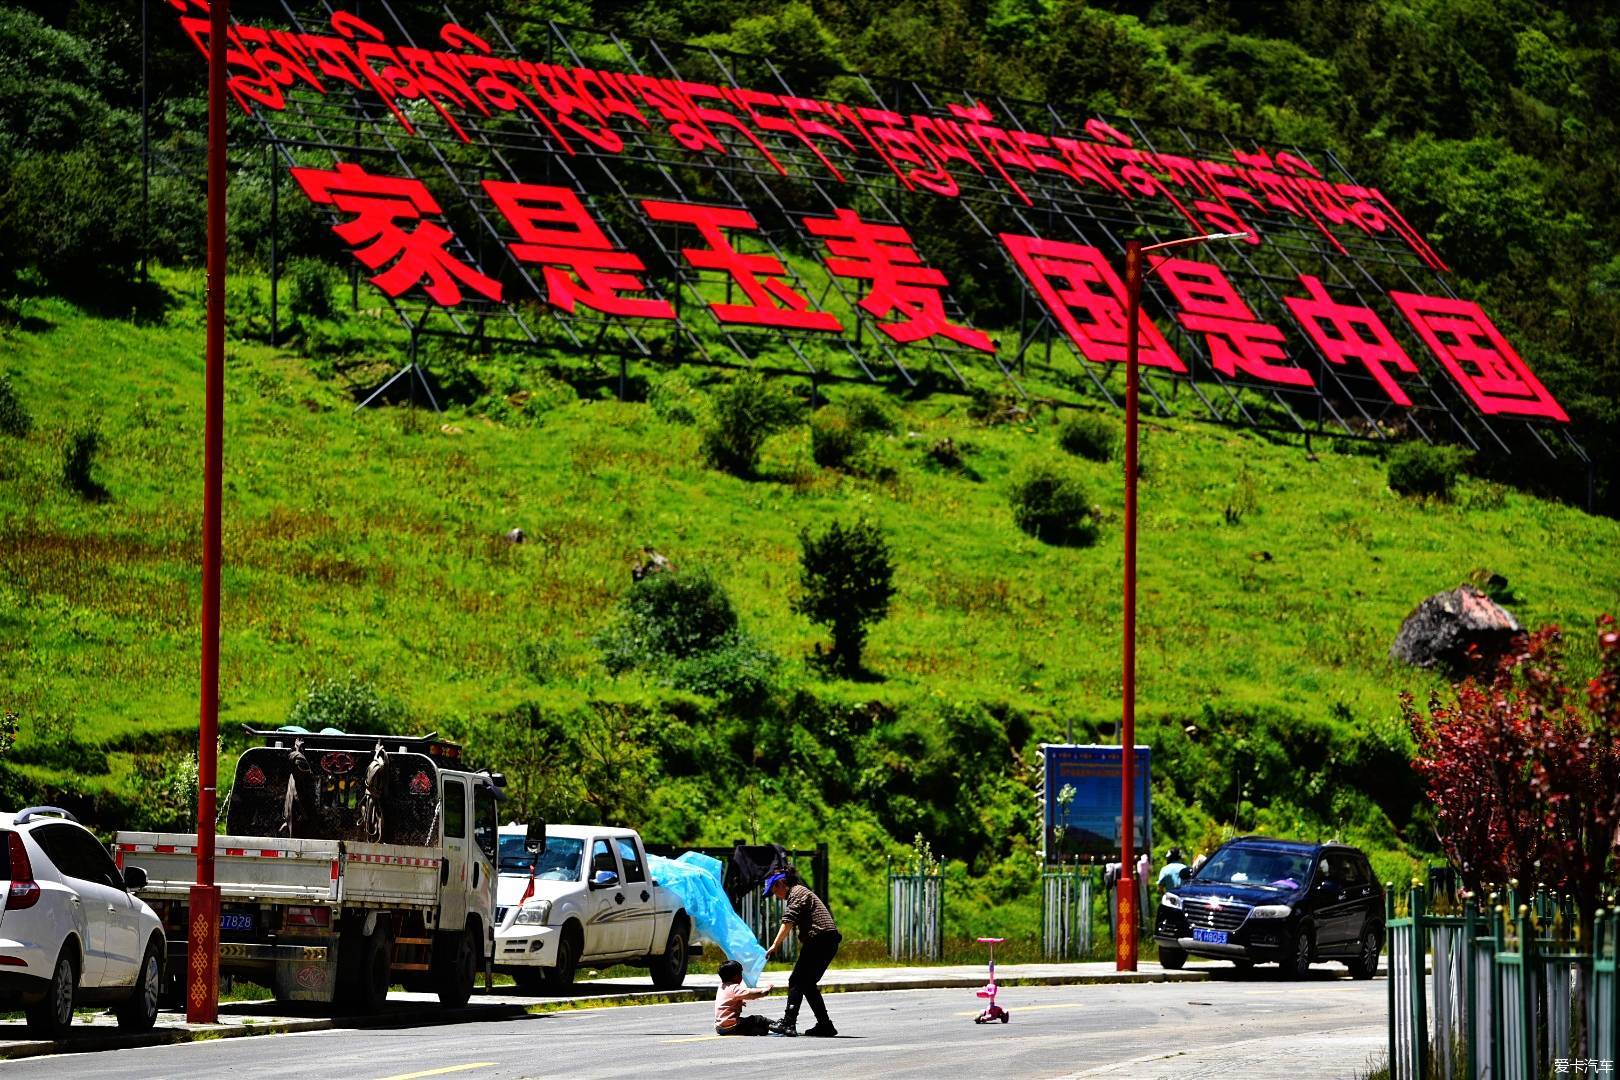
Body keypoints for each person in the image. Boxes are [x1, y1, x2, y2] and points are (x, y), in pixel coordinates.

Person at [763, 867, 841, 1038]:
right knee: (806, 983)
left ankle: (788, 1023)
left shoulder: (797, 892)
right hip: (827, 941)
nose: (776, 896)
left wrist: (775, 945)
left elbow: (788, 920)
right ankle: (825, 1025)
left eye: (774, 890)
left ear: (781, 883)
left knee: (796, 980)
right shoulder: (799, 892)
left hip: (820, 940)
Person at [714, 960, 773, 1036]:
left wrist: (739, 1002)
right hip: (732, 1026)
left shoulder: (722, 987)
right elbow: (749, 993)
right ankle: (780, 1026)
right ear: (736, 976)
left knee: (761, 1030)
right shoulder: (734, 988)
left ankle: (756, 1030)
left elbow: (726, 1000)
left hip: (720, 1028)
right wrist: (764, 992)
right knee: (758, 1019)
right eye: (740, 974)